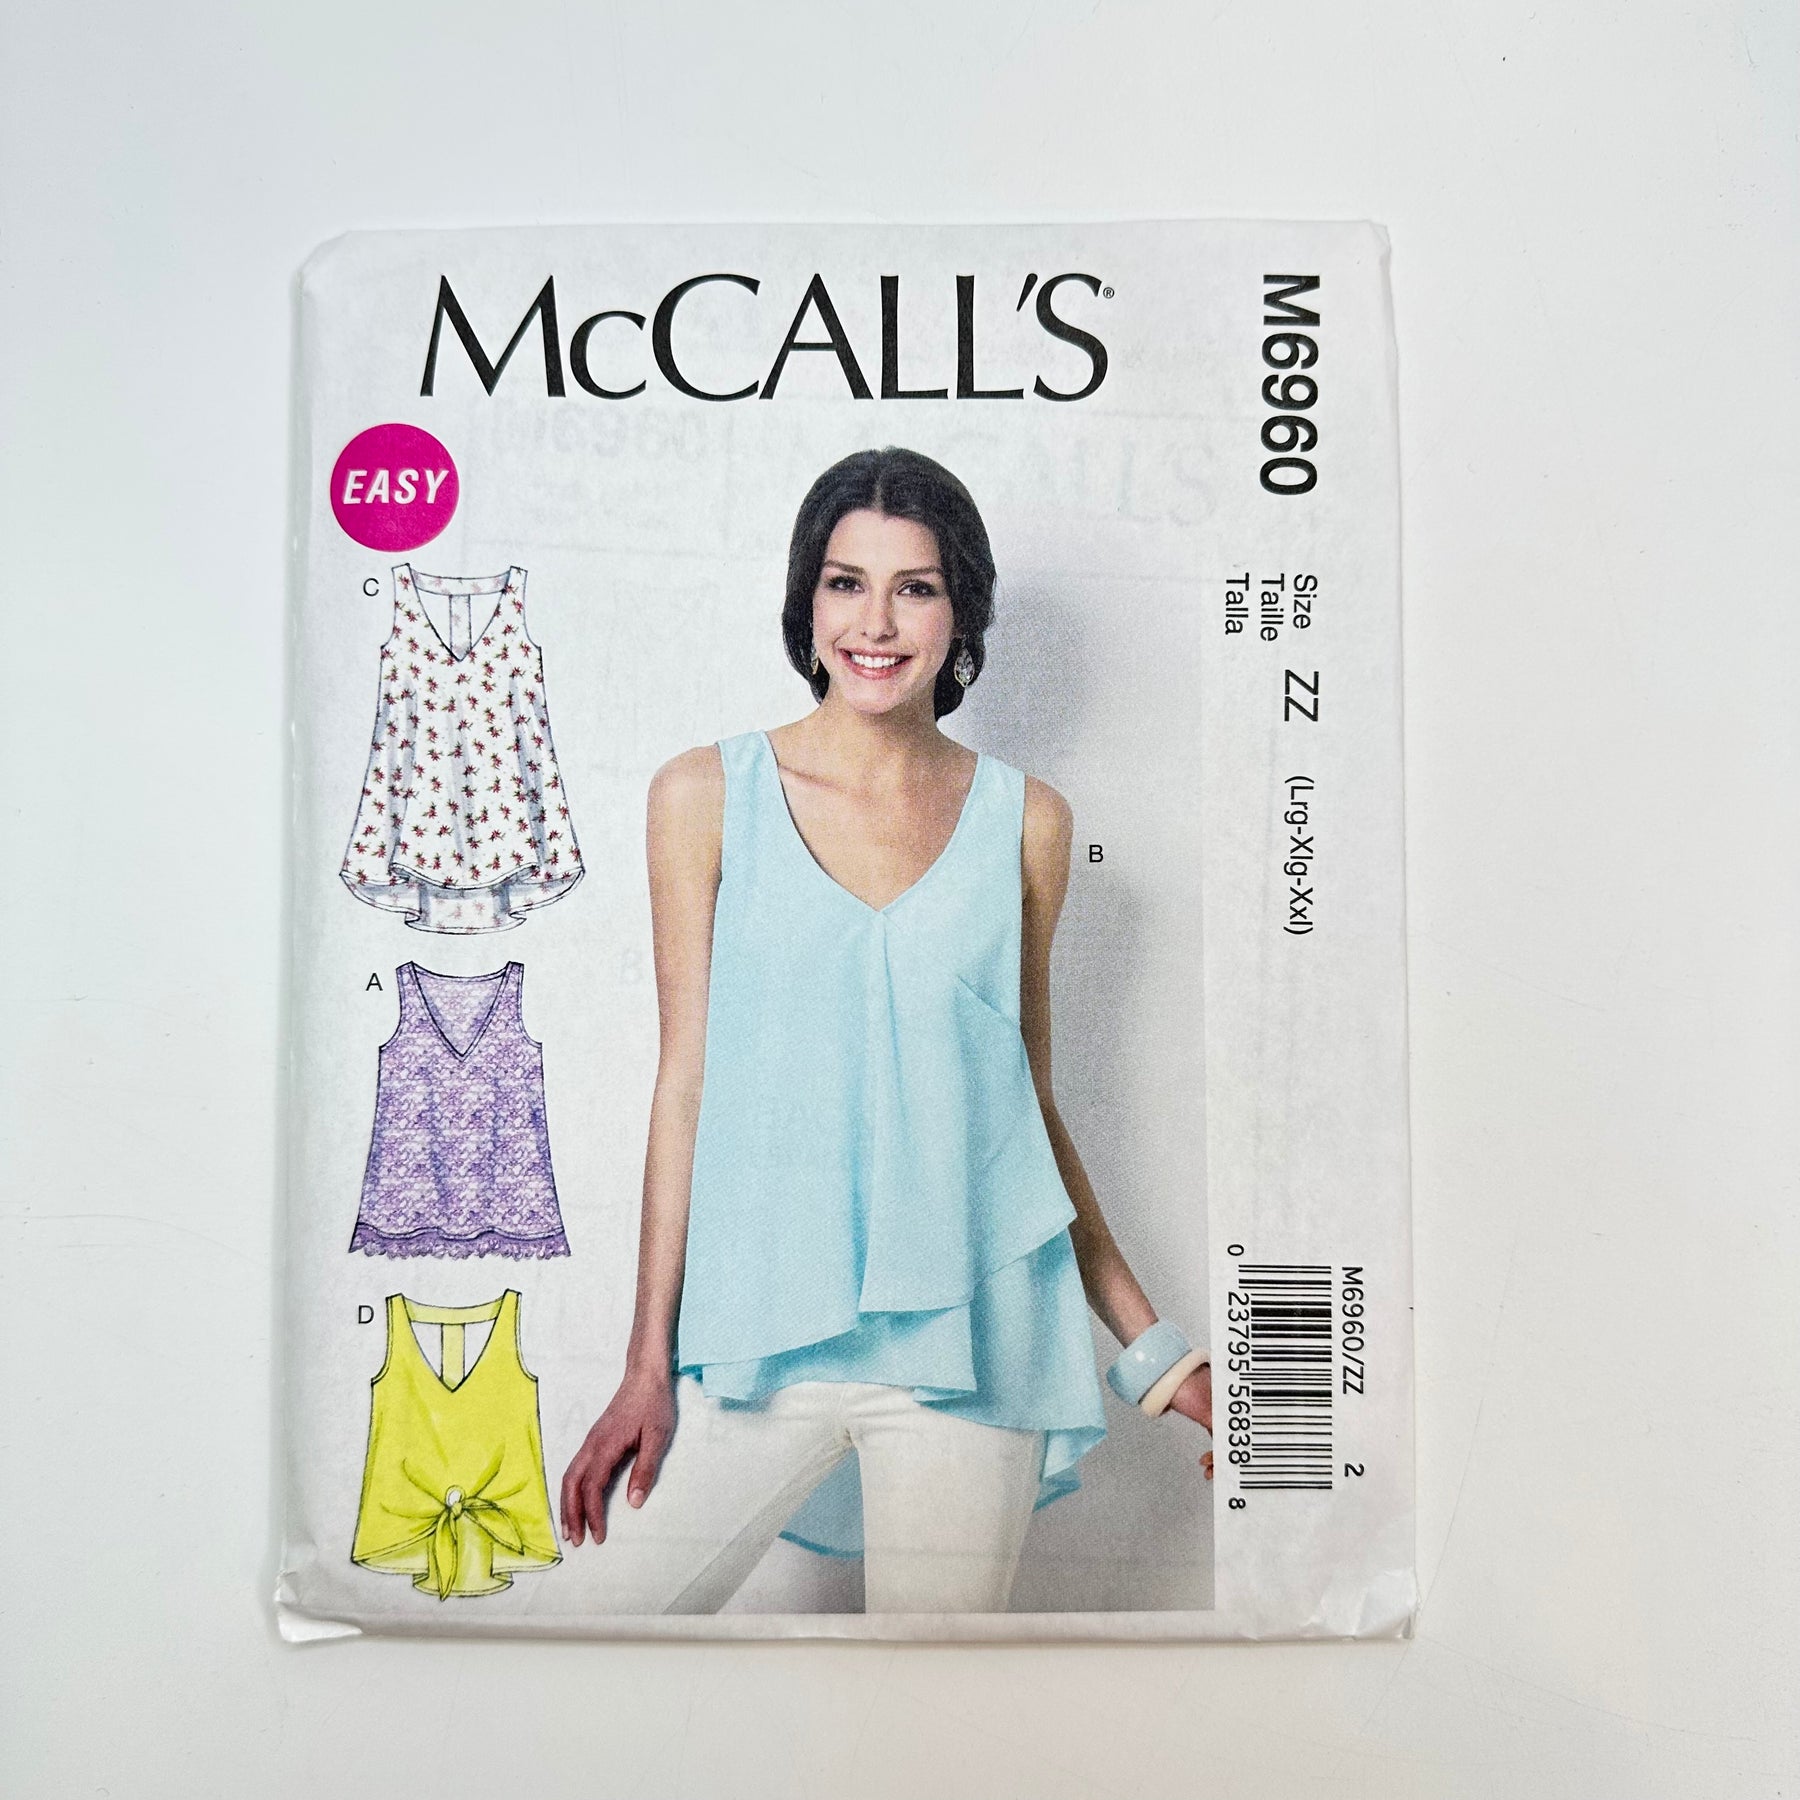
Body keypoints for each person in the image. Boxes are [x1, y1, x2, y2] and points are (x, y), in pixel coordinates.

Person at [560, 447, 1212, 1615]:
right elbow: (684, 1085)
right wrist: (645, 1365)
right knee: (594, 1634)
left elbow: (1024, 1115)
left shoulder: (1028, 821)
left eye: (915, 587)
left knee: (929, 1705)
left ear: (960, 614)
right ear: (806, 602)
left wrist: (1157, 1359)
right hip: (757, 1339)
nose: (875, 622)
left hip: (976, 1352)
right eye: (845, 583)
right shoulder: (703, 795)